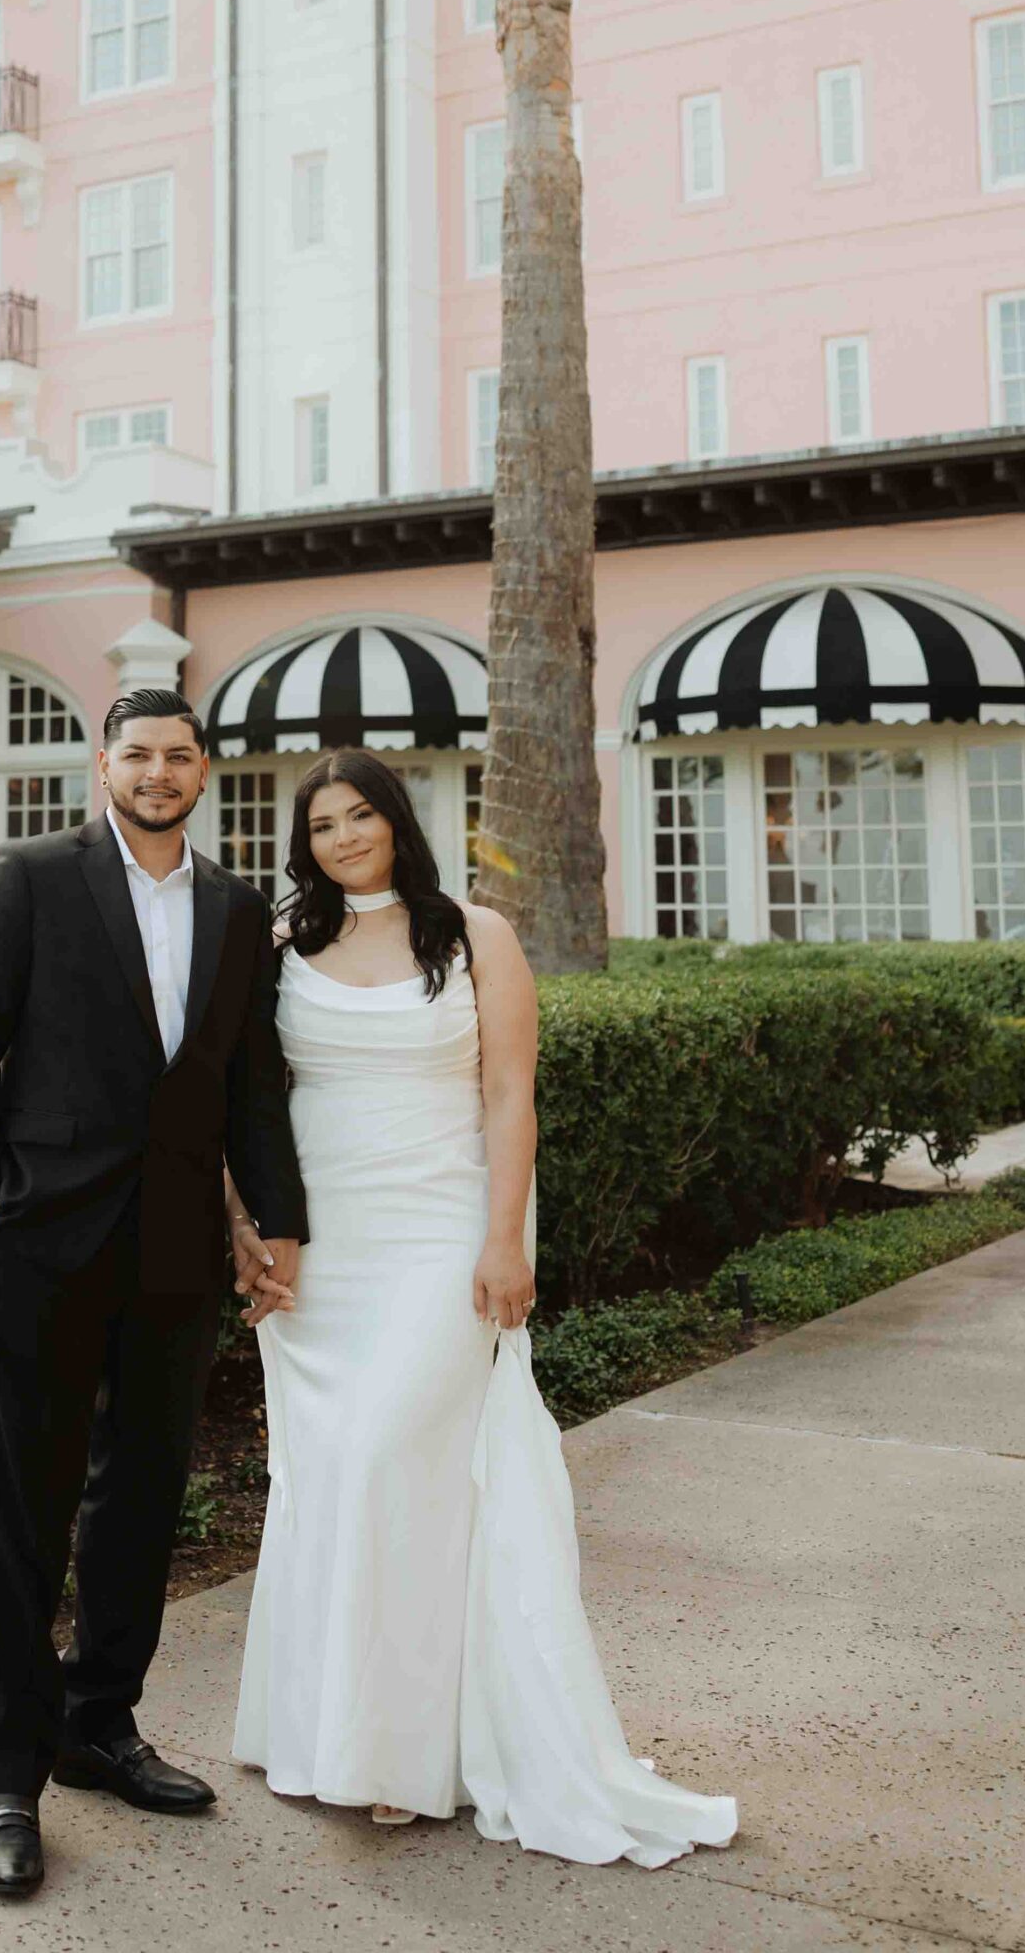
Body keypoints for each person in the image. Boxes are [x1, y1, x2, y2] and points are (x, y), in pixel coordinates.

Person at [230, 749, 738, 1862]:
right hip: (322, 1252)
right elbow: (242, 1098)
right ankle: (316, 1724)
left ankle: (400, 1750)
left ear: (398, 819)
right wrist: (247, 1226)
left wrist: (505, 1237)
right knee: (328, 1475)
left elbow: (510, 1091)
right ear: (302, 841)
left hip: (439, 1234)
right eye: (322, 823)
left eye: (361, 813)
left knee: (389, 1460)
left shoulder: (475, 934)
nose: (345, 835)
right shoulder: (283, 944)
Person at [0, 687, 308, 1902]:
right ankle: (8, 1780)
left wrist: (278, 1220)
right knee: (26, 1509)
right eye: (137, 753)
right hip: (41, 1240)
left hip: (177, 1250)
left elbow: (254, 1078)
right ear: (104, 764)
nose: (157, 772)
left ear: (206, 770)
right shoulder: (32, 876)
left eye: (178, 755)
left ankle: (103, 1723)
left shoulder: (240, 909)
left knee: (143, 1495)